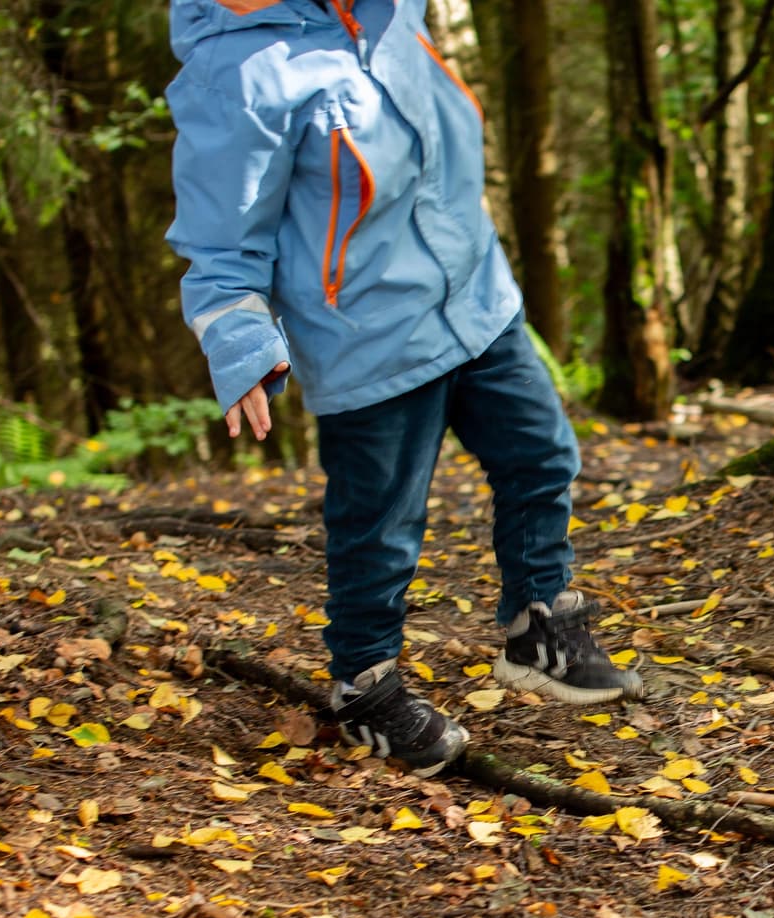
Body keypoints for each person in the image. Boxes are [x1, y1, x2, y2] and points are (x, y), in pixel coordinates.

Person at [165, 0, 643, 777]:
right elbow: (220, 240)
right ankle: (365, 685)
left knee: (542, 454)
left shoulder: (392, 10)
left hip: (475, 298)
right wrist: (242, 342)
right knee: (380, 524)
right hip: (367, 333)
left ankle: (540, 623)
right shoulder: (239, 71)